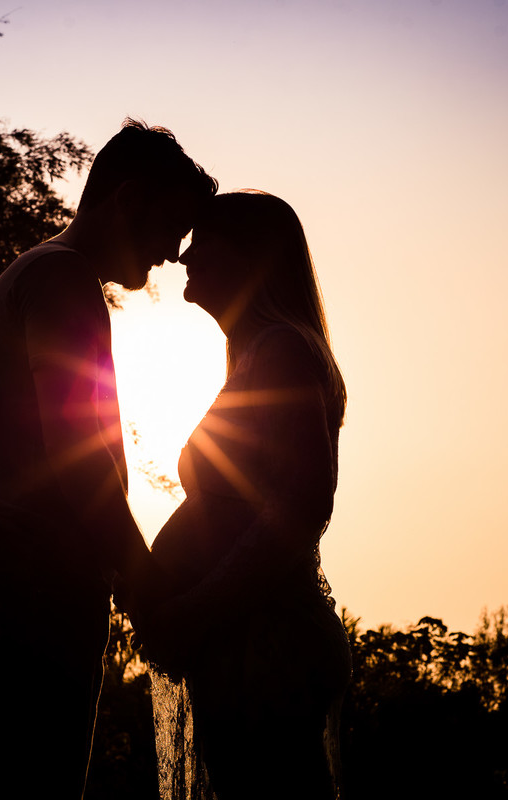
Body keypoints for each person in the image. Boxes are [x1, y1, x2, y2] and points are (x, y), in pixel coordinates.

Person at [0, 119, 217, 798]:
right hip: (29, 583)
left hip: (6, 578)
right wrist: (144, 584)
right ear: (125, 200)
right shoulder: (61, 278)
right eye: (166, 231)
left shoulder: (36, 277)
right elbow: (78, 458)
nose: (165, 257)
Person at [135, 191, 351, 800]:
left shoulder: (282, 351)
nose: (184, 255)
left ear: (250, 259)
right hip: (244, 644)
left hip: (267, 650)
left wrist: (196, 607)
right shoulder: (258, 355)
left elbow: (302, 505)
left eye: (203, 241)